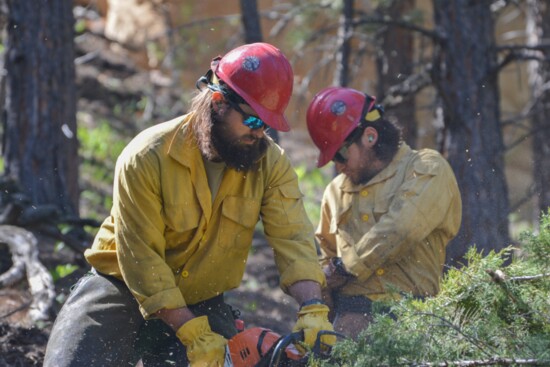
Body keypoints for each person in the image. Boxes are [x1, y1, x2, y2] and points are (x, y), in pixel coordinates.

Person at [44, 42, 334, 367]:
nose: (260, 133)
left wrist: (312, 307)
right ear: (218, 100)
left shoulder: (271, 165)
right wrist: (190, 331)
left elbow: (293, 238)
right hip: (122, 288)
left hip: (201, 301)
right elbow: (140, 258)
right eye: (253, 122)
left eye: (267, 125)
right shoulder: (146, 156)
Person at [306, 86, 462, 339]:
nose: (338, 165)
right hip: (348, 318)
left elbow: (402, 228)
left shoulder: (426, 168)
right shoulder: (335, 192)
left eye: (340, 154)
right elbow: (327, 259)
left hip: (414, 317)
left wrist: (346, 268)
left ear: (369, 137)